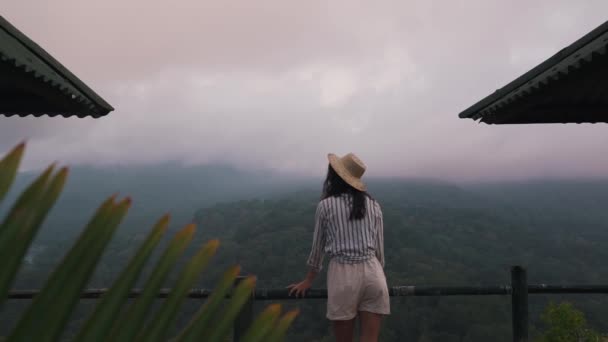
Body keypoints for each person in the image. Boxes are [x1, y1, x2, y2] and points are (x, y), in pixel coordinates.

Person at [288, 152, 390, 342]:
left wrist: (308, 280)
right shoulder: (374, 205)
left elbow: (317, 248)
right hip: (374, 274)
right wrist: (378, 273)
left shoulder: (326, 206)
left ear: (334, 176)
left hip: (343, 276)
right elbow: (379, 250)